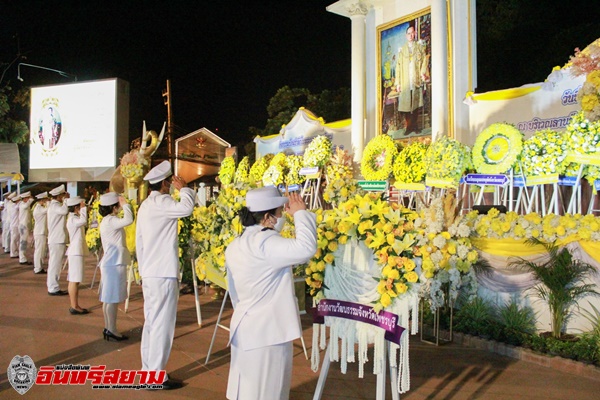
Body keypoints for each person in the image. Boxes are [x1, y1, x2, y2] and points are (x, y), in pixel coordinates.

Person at [225, 188, 317, 400]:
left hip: (245, 327)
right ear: (267, 217)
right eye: (278, 213)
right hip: (268, 333)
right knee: (269, 393)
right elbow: (305, 248)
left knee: (245, 391)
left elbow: (233, 291)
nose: (281, 217)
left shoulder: (237, 244)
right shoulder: (265, 243)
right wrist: (301, 214)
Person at [136, 160, 194, 390]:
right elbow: (187, 208)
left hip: (150, 272)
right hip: (163, 273)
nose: (172, 185)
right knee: (162, 325)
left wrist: (142, 270)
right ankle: (156, 376)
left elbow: (139, 243)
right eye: (170, 182)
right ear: (164, 183)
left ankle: (148, 371)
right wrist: (185, 189)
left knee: (151, 323)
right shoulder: (163, 202)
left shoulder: (145, 206)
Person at [98, 192, 133, 341]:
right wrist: (126, 204)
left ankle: (108, 327)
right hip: (114, 263)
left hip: (110, 263)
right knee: (112, 299)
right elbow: (129, 219)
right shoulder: (111, 220)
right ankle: (111, 329)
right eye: (118, 205)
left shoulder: (106, 220)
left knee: (108, 299)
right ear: (113, 207)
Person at [395, 21, 430, 135]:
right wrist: (398, 83)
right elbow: (398, 67)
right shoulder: (402, 50)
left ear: (414, 34)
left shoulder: (419, 47)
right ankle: (408, 127)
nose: (410, 35)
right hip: (405, 81)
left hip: (415, 80)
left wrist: (423, 73)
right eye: (408, 33)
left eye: (412, 33)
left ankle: (415, 126)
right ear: (406, 36)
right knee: (406, 105)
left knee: (415, 104)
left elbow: (424, 61)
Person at [65, 196, 89, 314]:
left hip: (76, 251)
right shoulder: (73, 219)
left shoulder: (74, 218)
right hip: (75, 252)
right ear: (76, 208)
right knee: (74, 280)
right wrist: (84, 210)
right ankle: (74, 306)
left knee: (74, 279)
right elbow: (84, 221)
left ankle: (75, 305)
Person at [47, 185, 69, 296]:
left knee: (55, 264)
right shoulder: (55, 206)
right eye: (63, 195)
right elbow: (64, 211)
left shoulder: (54, 205)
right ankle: (53, 287)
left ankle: (53, 286)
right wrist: (66, 200)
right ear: (59, 196)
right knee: (55, 264)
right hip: (57, 239)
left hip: (56, 238)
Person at [32, 192, 49, 274]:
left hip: (40, 232)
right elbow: (49, 209)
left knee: (41, 250)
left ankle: (39, 266)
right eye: (45, 200)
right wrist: (49, 202)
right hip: (40, 232)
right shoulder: (39, 209)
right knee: (39, 250)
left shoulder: (40, 208)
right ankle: (38, 268)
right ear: (42, 200)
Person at [18, 192, 34, 265]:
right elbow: (29, 202)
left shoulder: (23, 204)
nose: (29, 199)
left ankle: (22, 257)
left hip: (24, 225)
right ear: (25, 198)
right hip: (23, 226)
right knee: (23, 242)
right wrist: (30, 199)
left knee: (23, 242)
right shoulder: (22, 205)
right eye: (27, 198)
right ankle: (22, 258)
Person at [9, 192, 21, 259]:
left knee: (14, 239)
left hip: (14, 225)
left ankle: (14, 252)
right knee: (14, 240)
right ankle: (13, 253)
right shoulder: (15, 207)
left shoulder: (12, 206)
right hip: (15, 225)